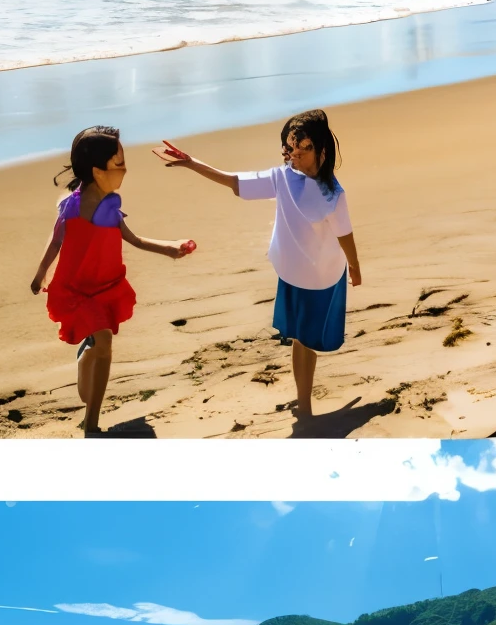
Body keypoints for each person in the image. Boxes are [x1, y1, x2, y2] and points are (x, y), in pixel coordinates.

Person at [161, 110, 361, 425]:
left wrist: (355, 268)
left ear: (322, 149)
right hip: (295, 273)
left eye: (304, 148)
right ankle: (304, 406)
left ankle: (304, 404)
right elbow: (234, 182)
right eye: (292, 147)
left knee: (307, 340)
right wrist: (192, 162)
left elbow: (344, 234)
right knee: (301, 339)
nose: (295, 155)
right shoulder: (283, 177)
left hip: (322, 275)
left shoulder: (333, 195)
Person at [30, 125, 195, 434]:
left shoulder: (111, 209)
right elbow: (55, 243)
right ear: (97, 170)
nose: (124, 170)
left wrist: (170, 248)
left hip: (105, 286)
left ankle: (91, 416)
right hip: (77, 289)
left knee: (103, 343)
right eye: (118, 163)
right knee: (104, 341)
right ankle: (91, 421)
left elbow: (135, 240)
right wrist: (41, 274)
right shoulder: (71, 207)